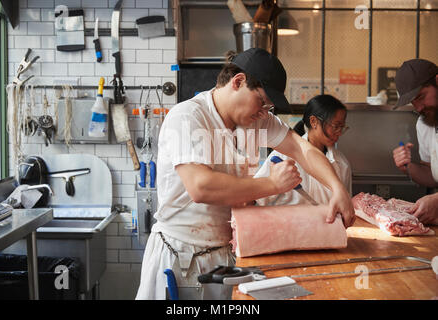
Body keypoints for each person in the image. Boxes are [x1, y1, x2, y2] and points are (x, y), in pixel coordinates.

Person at [136, 48, 355, 300]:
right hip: (179, 255)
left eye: (269, 106)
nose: (264, 111)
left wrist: (338, 189)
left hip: (223, 253)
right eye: (262, 101)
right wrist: (272, 183)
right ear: (238, 82)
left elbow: (302, 149)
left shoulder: (256, 120)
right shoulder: (189, 116)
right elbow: (201, 187)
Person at [255, 95, 352, 206]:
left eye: (342, 127)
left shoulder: (342, 163)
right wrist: (273, 183)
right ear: (314, 121)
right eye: (335, 126)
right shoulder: (283, 156)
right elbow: (256, 197)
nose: (339, 132)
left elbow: (345, 203)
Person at [392, 59, 438, 225]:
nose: (418, 108)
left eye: (421, 97)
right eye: (413, 102)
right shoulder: (425, 123)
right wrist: (408, 167)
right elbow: (431, 174)